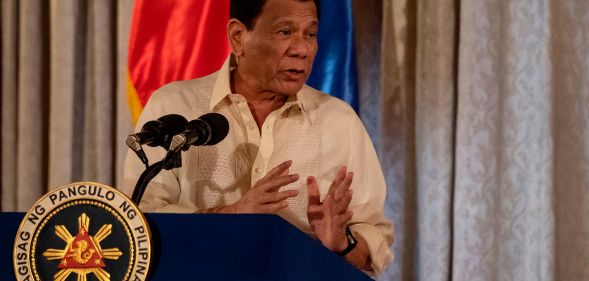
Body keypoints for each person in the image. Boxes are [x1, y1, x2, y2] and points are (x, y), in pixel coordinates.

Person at [122, 0, 393, 274]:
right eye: (285, 32)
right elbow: (138, 222)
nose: (302, 50)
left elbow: (376, 238)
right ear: (238, 37)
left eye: (310, 34)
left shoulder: (339, 121)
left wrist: (342, 244)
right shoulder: (174, 107)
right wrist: (230, 217)